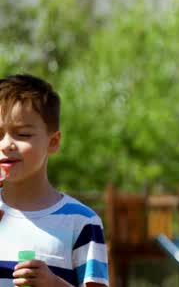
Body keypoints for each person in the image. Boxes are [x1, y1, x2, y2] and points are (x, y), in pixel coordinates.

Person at [0, 74, 108, 287]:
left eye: (22, 134)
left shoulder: (82, 222)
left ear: (53, 141)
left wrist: (53, 284)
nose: (6, 144)